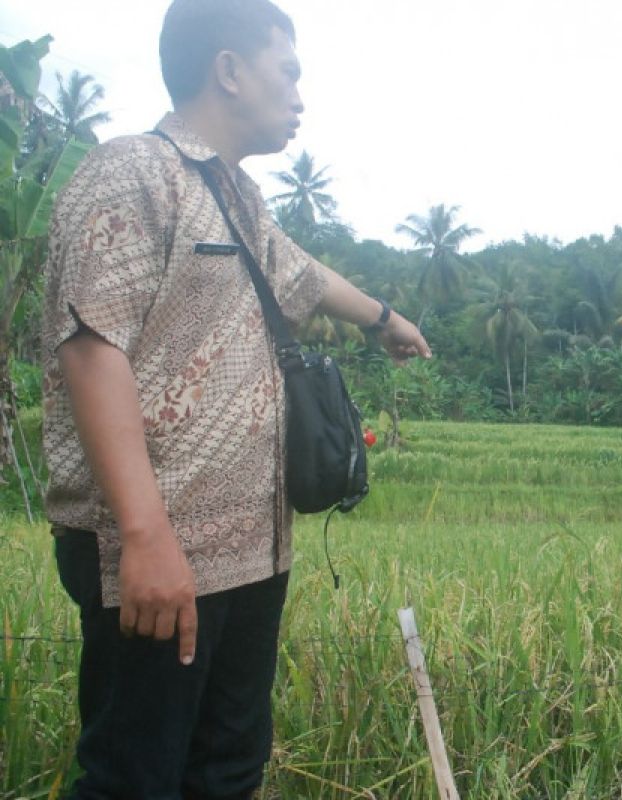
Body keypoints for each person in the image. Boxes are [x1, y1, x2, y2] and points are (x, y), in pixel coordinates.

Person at [40, 1, 431, 797]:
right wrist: (148, 537)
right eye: (287, 72)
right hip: (154, 553)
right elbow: (91, 349)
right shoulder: (131, 173)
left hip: (254, 548)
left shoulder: (241, 200)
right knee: (134, 777)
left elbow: (306, 276)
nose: (298, 97)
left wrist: (388, 320)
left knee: (227, 770)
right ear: (228, 70)